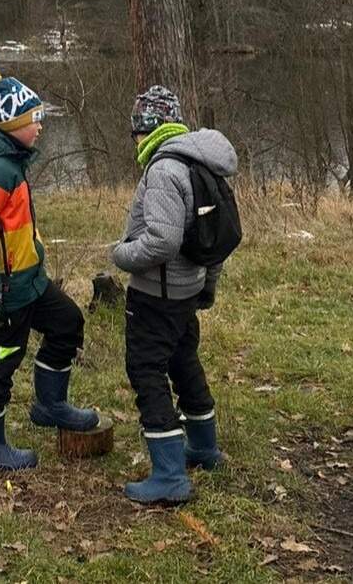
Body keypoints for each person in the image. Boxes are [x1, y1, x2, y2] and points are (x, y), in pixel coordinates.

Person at [0, 72, 98, 470]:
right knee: (1, 359)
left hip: (29, 282)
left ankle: (49, 405)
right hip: (4, 291)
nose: (39, 126)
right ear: (12, 124)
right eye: (33, 119)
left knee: (67, 322)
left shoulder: (12, 162)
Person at [112, 85, 236, 504]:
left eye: (135, 130)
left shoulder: (164, 171)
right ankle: (202, 448)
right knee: (184, 363)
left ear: (145, 128)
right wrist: (207, 287)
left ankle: (168, 474)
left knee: (147, 370)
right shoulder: (200, 163)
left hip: (156, 294)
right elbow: (217, 239)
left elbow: (161, 242)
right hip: (187, 292)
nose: (134, 140)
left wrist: (121, 255)